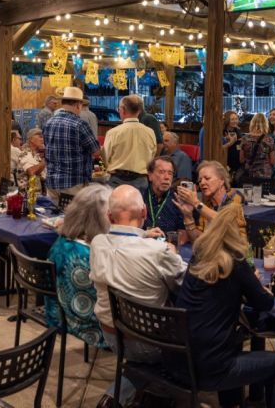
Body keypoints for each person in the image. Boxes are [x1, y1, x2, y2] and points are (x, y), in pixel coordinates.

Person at [170, 204, 275, 408]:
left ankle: (233, 403)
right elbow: (265, 302)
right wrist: (256, 285)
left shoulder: (199, 256)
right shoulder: (236, 262)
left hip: (179, 362)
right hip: (212, 370)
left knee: (232, 338)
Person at [89, 185, 187, 407]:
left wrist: (143, 235)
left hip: (111, 335)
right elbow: (187, 284)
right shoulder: (157, 252)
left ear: (109, 216)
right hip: (150, 342)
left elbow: (123, 240)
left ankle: (125, 395)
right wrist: (171, 253)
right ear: (144, 212)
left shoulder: (97, 243)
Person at [46, 185, 111, 350]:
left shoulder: (64, 241)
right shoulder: (85, 256)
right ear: (97, 219)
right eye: (109, 214)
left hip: (61, 316)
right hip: (91, 328)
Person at [44, 87, 102, 203]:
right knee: (73, 214)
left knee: (53, 214)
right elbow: (96, 151)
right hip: (73, 183)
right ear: (78, 105)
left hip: (52, 181)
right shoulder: (80, 124)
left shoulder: (49, 122)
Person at [175, 160, 247, 243]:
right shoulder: (207, 205)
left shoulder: (235, 196)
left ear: (221, 180)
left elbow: (225, 222)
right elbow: (197, 239)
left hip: (235, 248)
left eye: (207, 178)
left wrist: (196, 203)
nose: (202, 183)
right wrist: (188, 216)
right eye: (200, 180)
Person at [103, 95, 157, 190]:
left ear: (123, 109)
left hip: (117, 180)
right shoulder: (150, 132)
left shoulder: (113, 133)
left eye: (119, 109)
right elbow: (152, 156)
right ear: (139, 111)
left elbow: (105, 157)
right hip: (141, 180)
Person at [141, 156, 185, 237]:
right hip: (142, 243)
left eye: (170, 173)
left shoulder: (177, 200)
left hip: (168, 243)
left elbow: (182, 235)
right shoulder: (139, 197)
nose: (167, 177)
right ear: (150, 175)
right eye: (161, 172)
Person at [239, 113, 275, 180]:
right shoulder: (269, 139)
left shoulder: (245, 138)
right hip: (265, 174)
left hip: (249, 174)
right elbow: (273, 161)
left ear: (252, 123)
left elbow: (241, 160)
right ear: (265, 124)